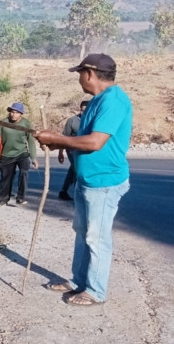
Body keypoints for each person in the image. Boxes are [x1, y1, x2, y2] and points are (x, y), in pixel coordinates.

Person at [34, 54, 132, 307]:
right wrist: (58, 143)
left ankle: (95, 291)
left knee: (96, 238)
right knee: (82, 233)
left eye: (80, 74)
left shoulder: (114, 101)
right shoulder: (98, 101)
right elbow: (82, 139)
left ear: (89, 73)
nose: (79, 79)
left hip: (104, 182)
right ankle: (78, 280)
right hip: (87, 181)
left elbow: (94, 142)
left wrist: (57, 139)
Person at [0, 102, 38, 207]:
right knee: (6, 178)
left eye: (17, 112)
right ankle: (3, 199)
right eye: (12, 112)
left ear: (21, 114)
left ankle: (20, 198)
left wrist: (34, 158)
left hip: (22, 153)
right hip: (6, 155)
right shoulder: (3, 123)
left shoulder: (26, 124)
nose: (14, 114)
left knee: (24, 172)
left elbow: (30, 140)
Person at [58, 100, 90, 200]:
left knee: (73, 169)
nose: (83, 112)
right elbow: (64, 137)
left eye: (85, 111)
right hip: (71, 149)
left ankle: (63, 191)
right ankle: (79, 194)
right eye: (82, 110)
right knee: (77, 169)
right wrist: (60, 153)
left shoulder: (92, 121)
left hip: (84, 149)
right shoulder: (72, 121)